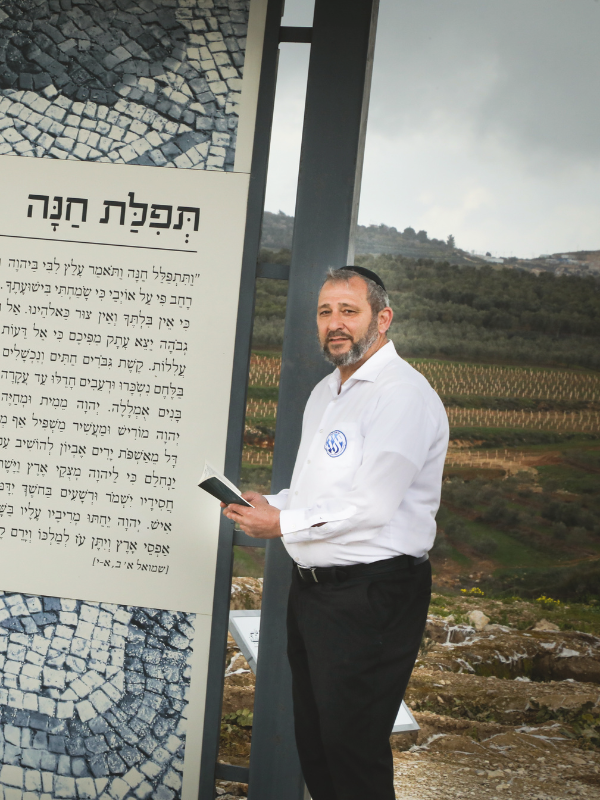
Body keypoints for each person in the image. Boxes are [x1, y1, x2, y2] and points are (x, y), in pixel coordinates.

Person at [222, 266, 449, 800]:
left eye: (349, 310)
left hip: (373, 596)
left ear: (382, 318)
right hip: (318, 594)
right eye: (325, 312)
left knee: (353, 751)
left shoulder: (401, 396)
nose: (334, 323)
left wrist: (280, 524)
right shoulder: (328, 391)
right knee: (319, 744)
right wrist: (272, 503)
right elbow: (316, 494)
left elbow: (370, 506)